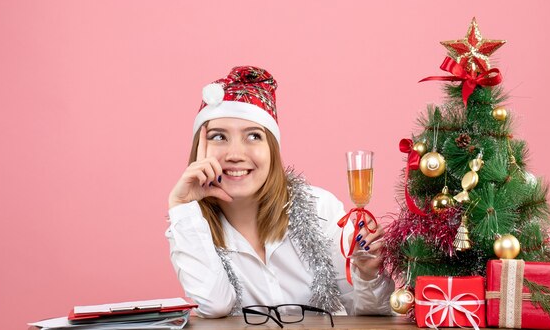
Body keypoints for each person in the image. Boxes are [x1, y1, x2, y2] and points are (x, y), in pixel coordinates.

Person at [165, 66, 394, 318]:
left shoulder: (321, 209)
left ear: (272, 149)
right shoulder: (189, 225)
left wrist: (369, 273)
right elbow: (215, 305)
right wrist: (182, 205)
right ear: (200, 149)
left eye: (253, 136)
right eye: (219, 137)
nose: (235, 155)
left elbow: (370, 315)